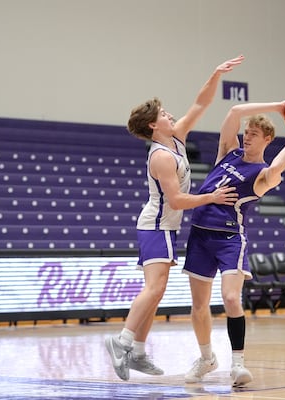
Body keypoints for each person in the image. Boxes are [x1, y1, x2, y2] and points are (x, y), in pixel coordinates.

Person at [105, 55, 244, 381]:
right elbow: (178, 200)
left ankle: (138, 352)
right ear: (154, 125)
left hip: (162, 226)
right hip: (157, 225)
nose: (170, 115)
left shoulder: (177, 136)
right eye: (164, 114)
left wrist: (215, 75)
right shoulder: (162, 157)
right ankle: (122, 341)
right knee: (154, 289)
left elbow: (200, 103)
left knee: (156, 290)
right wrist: (211, 197)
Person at [182, 99, 285, 386]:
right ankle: (207, 358)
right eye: (246, 133)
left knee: (232, 298)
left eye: (254, 134)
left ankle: (237, 364)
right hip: (199, 235)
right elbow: (233, 112)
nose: (247, 137)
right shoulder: (228, 154)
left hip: (229, 239)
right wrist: (280, 106)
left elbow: (276, 170)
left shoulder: (259, 175)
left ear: (267, 139)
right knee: (199, 307)